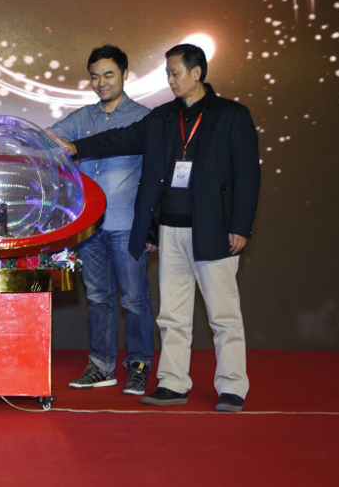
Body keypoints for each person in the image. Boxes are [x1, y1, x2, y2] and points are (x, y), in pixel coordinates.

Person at [56, 43, 260, 412]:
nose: (170, 80)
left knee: (223, 315)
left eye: (175, 73)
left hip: (213, 231)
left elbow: (247, 175)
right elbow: (121, 138)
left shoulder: (231, 115)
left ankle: (232, 387)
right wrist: (76, 147)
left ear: (197, 72)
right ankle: (172, 382)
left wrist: (240, 226)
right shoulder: (164, 117)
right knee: (172, 315)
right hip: (170, 230)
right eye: (167, 73)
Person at [49, 45, 153, 395]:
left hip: (127, 225)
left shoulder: (144, 118)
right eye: (95, 76)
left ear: (125, 74)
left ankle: (139, 365)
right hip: (89, 228)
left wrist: (151, 227)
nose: (101, 82)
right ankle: (101, 365)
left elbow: (156, 178)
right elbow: (48, 138)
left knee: (134, 299)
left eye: (109, 74)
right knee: (98, 298)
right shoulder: (81, 118)